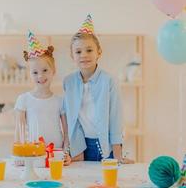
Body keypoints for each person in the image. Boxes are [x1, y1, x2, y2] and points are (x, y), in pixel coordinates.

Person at [63, 15, 134, 164]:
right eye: (78, 52)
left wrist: (117, 155)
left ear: (99, 52)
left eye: (89, 50)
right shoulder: (68, 82)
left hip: (105, 146)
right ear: (72, 55)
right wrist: (67, 150)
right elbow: (69, 119)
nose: (84, 55)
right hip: (80, 147)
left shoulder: (109, 81)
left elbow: (116, 118)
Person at [14, 31, 71, 165]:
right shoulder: (23, 100)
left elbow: (67, 133)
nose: (40, 76)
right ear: (30, 74)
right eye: (35, 72)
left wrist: (66, 153)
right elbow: (19, 132)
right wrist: (20, 154)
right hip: (33, 155)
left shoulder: (60, 101)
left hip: (55, 155)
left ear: (53, 71)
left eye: (45, 70)